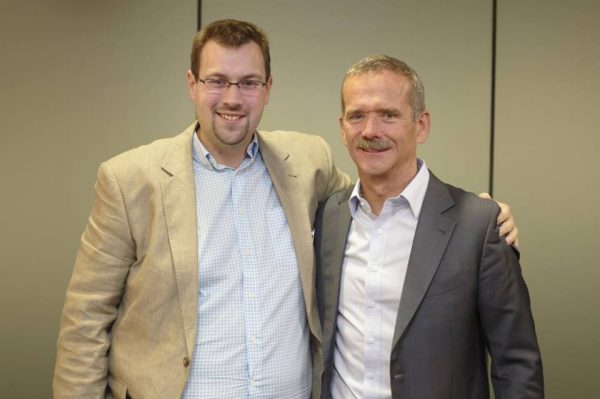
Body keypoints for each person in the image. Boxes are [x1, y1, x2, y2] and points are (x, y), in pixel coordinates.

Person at [53, 19, 518, 399]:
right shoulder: (130, 179)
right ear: (192, 84)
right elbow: (85, 323)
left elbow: (380, 198)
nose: (233, 98)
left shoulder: (307, 164)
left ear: (268, 88)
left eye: (249, 82)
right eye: (217, 81)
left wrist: (474, 214)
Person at [315, 55, 543, 398]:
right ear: (342, 128)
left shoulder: (479, 227)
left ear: (421, 125)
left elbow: (517, 365)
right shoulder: (325, 218)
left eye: (389, 115)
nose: (370, 131)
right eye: (357, 116)